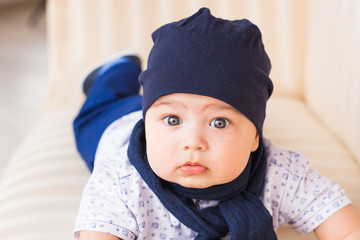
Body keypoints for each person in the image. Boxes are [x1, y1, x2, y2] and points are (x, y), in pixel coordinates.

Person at [73, 8, 360, 240]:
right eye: (173, 120)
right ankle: (117, 69)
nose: (193, 141)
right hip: (119, 125)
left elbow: (346, 228)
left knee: (179, 105)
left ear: (254, 138)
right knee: (96, 111)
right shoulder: (121, 182)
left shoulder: (280, 175)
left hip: (156, 108)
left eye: (219, 122)